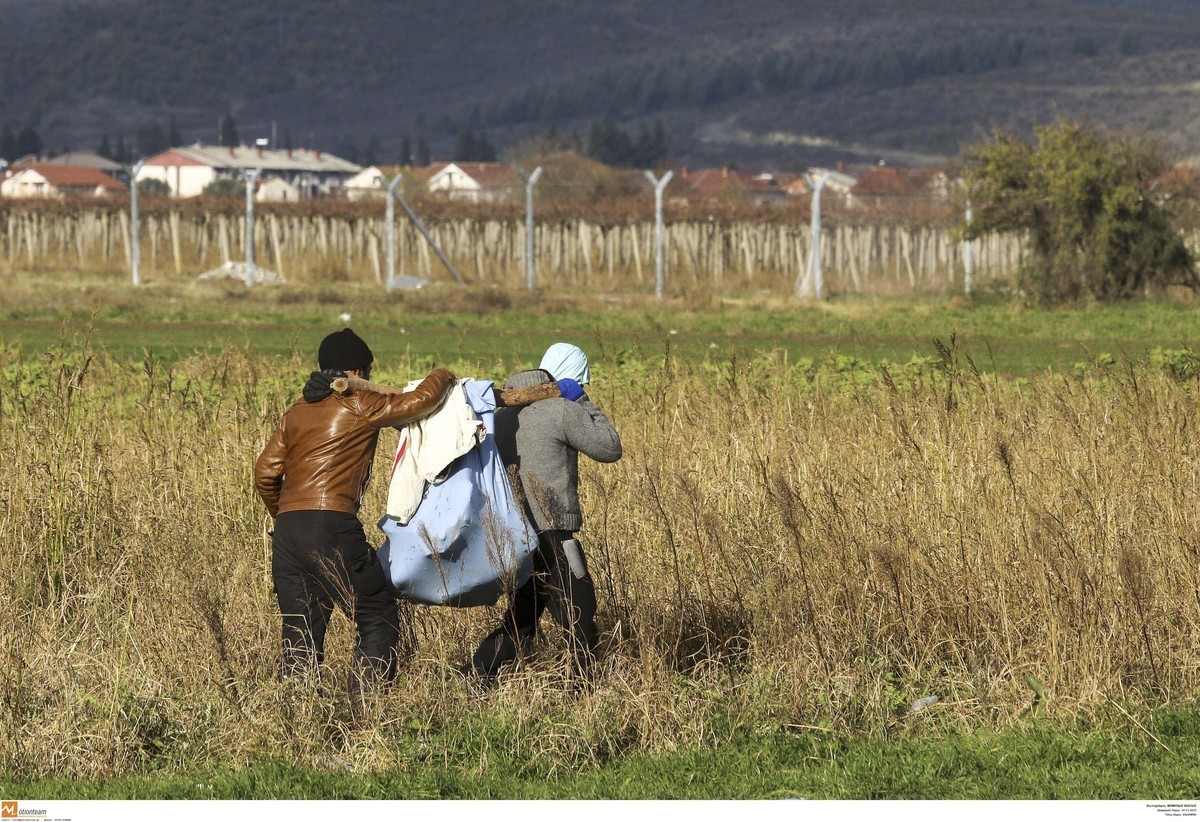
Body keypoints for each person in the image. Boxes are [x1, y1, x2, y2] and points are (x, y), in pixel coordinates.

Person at [254, 328, 456, 687]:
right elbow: (419, 402)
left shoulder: (296, 412)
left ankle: (299, 721)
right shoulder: (360, 401)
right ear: (358, 374)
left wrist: (289, 518)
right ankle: (365, 706)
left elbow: (264, 474)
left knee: (300, 630)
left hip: (287, 532)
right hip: (331, 523)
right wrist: (443, 375)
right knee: (376, 614)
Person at [467, 342, 622, 679]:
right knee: (580, 616)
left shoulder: (500, 415)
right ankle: (584, 692)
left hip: (511, 533)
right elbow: (610, 447)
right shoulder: (562, 409)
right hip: (552, 533)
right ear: (576, 378)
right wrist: (579, 399)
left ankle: (476, 674)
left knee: (523, 618)